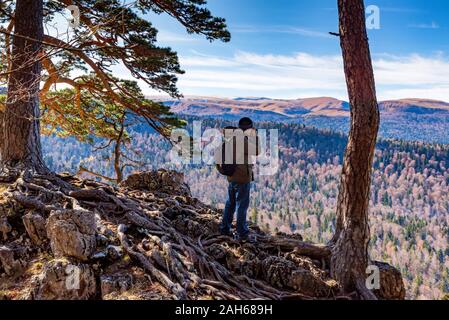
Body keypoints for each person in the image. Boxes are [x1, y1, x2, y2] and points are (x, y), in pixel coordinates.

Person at [219, 117, 259, 242]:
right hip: (242, 177)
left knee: (230, 203)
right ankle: (241, 232)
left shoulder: (230, 137)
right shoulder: (242, 140)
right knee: (242, 206)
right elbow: (257, 151)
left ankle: (224, 228)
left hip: (231, 176)